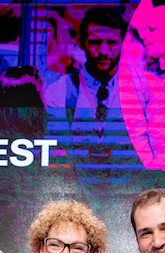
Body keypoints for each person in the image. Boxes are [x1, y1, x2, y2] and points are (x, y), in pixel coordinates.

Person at [44, 7, 126, 158]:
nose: (104, 51)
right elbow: (56, 145)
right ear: (81, 43)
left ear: (123, 43)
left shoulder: (145, 88)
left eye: (112, 43)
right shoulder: (59, 90)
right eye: (95, 42)